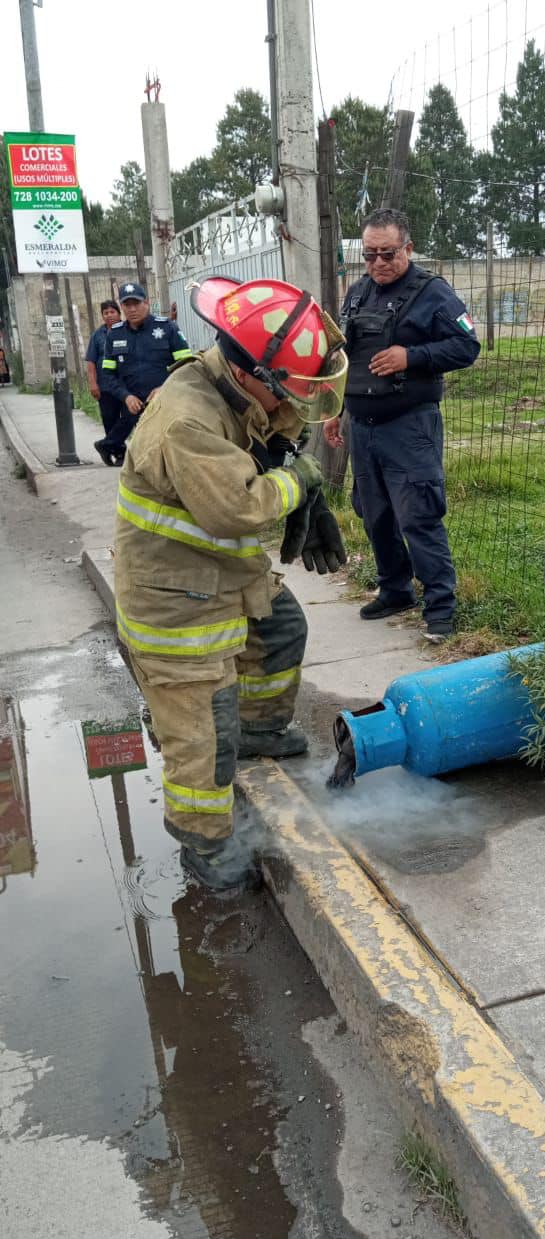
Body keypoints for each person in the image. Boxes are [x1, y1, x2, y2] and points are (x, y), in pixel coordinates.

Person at [114, 275, 348, 891]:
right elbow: (240, 509)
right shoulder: (187, 420)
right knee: (203, 731)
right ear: (254, 374)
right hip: (172, 602)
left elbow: (268, 438)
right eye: (293, 389)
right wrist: (302, 484)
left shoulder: (230, 387)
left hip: (218, 573)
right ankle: (204, 844)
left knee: (282, 628)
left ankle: (261, 732)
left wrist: (299, 491)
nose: (300, 402)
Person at [323, 208, 480, 642]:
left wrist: (411, 357)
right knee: (374, 514)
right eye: (370, 255)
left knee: (419, 517)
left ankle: (441, 607)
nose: (378, 264)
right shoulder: (357, 293)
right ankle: (395, 590)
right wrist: (336, 410)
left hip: (409, 426)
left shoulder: (434, 294)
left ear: (407, 248)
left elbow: (467, 346)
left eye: (387, 254)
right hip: (362, 426)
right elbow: (343, 357)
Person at [97, 282, 193, 466]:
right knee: (148, 458)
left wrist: (164, 389)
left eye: (136, 303)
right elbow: (108, 374)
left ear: (147, 303)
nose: (132, 309)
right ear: (122, 307)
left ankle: (109, 445)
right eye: (127, 305)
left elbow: (187, 366)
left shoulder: (167, 328)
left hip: (166, 402)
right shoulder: (114, 335)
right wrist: (125, 397)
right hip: (133, 402)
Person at [85, 299, 122, 438]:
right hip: (106, 387)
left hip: (127, 385)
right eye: (105, 313)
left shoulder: (128, 330)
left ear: (119, 313)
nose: (109, 315)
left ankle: (123, 449)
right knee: (109, 419)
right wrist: (93, 384)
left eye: (112, 311)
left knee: (127, 420)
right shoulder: (97, 335)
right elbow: (91, 361)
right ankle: (118, 452)